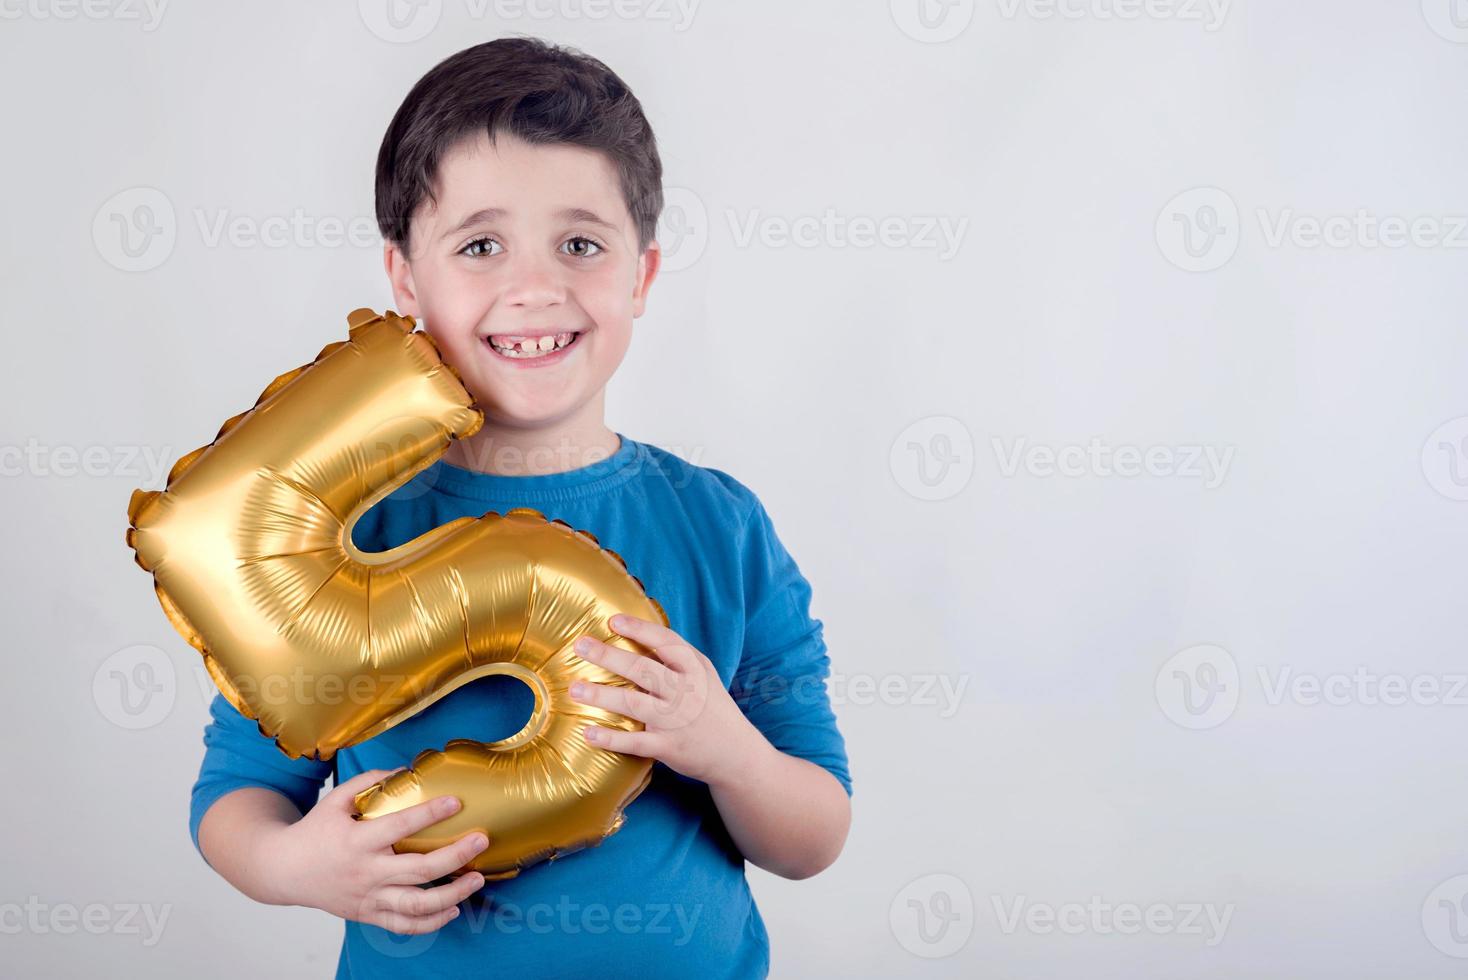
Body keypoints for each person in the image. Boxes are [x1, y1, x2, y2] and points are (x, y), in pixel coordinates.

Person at [189, 36, 852, 979]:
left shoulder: (720, 527)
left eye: (580, 243)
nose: (534, 287)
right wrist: (296, 864)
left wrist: (728, 751)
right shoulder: (346, 538)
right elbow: (236, 797)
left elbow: (813, 835)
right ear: (406, 280)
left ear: (642, 276)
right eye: (480, 245)